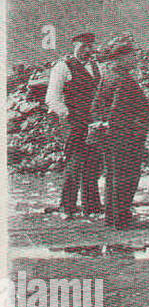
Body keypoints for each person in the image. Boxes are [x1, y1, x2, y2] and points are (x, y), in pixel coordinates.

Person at [88, 36, 149, 230]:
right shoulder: (123, 81)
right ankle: (122, 220)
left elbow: (96, 107)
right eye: (132, 55)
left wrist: (104, 124)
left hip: (111, 137)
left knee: (113, 177)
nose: (136, 58)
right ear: (122, 58)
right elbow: (118, 112)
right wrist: (137, 128)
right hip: (125, 137)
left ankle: (113, 217)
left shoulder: (108, 76)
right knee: (126, 178)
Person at [45, 32, 101, 216]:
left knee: (93, 164)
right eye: (83, 47)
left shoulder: (95, 66)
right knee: (74, 163)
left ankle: (91, 206)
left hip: (92, 122)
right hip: (74, 123)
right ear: (74, 46)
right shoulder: (62, 67)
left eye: (90, 46)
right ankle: (67, 207)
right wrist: (68, 115)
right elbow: (52, 98)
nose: (87, 50)